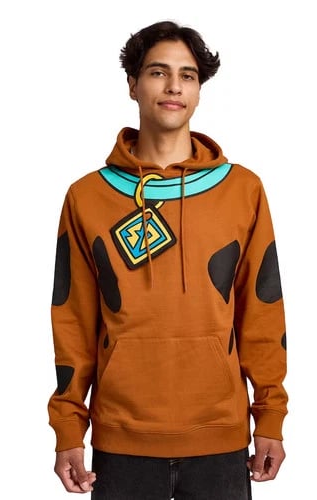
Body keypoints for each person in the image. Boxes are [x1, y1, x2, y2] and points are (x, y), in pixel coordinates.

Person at [47, 20, 288, 499]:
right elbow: (72, 321)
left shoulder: (242, 190)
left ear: (198, 91)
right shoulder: (87, 196)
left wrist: (270, 418)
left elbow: (262, 313)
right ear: (132, 84)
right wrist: (68, 429)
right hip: (121, 440)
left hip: (220, 438)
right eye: (158, 72)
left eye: (188, 75)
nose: (174, 86)